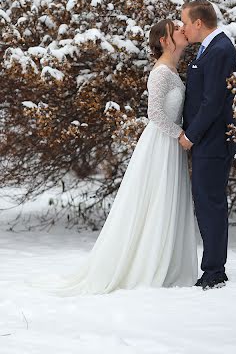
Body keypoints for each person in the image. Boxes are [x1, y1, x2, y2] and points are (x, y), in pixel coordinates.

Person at [36, 20, 198, 295]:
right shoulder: (161, 73)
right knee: (154, 199)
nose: (183, 30)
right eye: (176, 28)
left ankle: (164, 260)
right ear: (164, 40)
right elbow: (155, 114)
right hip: (161, 142)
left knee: (164, 200)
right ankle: (146, 264)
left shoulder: (172, 70)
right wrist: (180, 134)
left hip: (169, 143)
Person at [180, 0, 236, 290]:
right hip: (208, 141)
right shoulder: (209, 49)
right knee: (205, 204)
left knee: (211, 205)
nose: (183, 28)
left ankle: (214, 271)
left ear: (198, 23)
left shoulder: (220, 50)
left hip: (213, 142)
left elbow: (213, 101)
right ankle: (214, 267)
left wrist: (191, 135)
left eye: (185, 23)